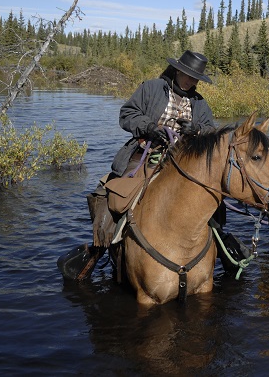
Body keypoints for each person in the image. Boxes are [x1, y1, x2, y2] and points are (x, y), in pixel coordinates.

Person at [72, 50, 217, 280]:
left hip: (185, 162)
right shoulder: (152, 88)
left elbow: (212, 130)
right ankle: (102, 244)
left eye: (196, 78)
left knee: (213, 199)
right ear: (178, 70)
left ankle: (225, 248)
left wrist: (197, 131)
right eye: (189, 75)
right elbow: (127, 114)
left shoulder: (199, 103)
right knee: (115, 195)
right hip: (147, 152)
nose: (191, 81)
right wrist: (149, 127)